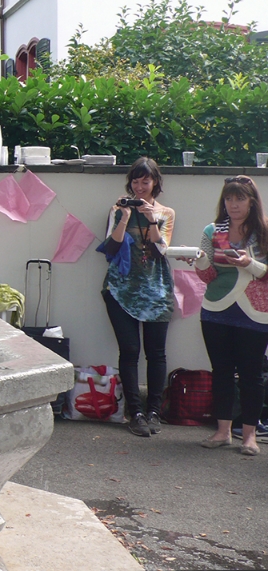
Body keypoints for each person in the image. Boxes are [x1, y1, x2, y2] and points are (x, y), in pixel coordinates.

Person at [99, 157, 175, 437]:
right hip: (120, 289)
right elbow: (110, 248)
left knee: (156, 353)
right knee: (129, 351)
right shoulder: (118, 209)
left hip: (155, 290)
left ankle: (154, 411)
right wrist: (126, 217)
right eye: (135, 181)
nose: (140, 187)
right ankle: (135, 412)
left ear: (156, 182)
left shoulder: (166, 212)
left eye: (146, 181)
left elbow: (159, 251)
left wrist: (151, 218)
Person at [195, 175, 268, 456]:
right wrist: (199, 259)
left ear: (252, 201)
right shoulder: (213, 230)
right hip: (216, 309)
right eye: (229, 198)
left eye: (239, 198)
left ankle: (249, 435)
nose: (233, 204)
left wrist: (249, 263)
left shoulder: (263, 231)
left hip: (256, 313)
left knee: (251, 375)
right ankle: (222, 431)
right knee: (222, 372)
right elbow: (207, 275)